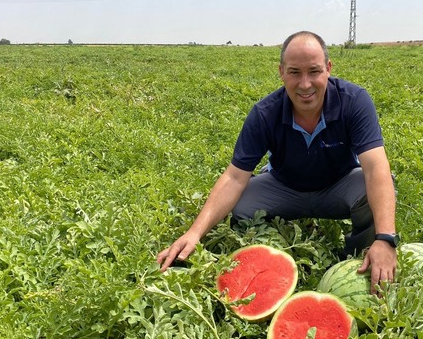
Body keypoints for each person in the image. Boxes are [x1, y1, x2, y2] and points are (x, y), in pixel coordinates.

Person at [157, 31, 398, 293]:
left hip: (338, 184)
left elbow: (375, 167)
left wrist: (386, 238)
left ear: (328, 68)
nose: (305, 84)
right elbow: (234, 177)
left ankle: (361, 257)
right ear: (281, 72)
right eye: (294, 72)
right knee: (241, 204)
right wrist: (194, 232)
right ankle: (270, 251)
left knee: (373, 187)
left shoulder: (354, 101)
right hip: (285, 186)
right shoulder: (265, 113)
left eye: (314, 71)